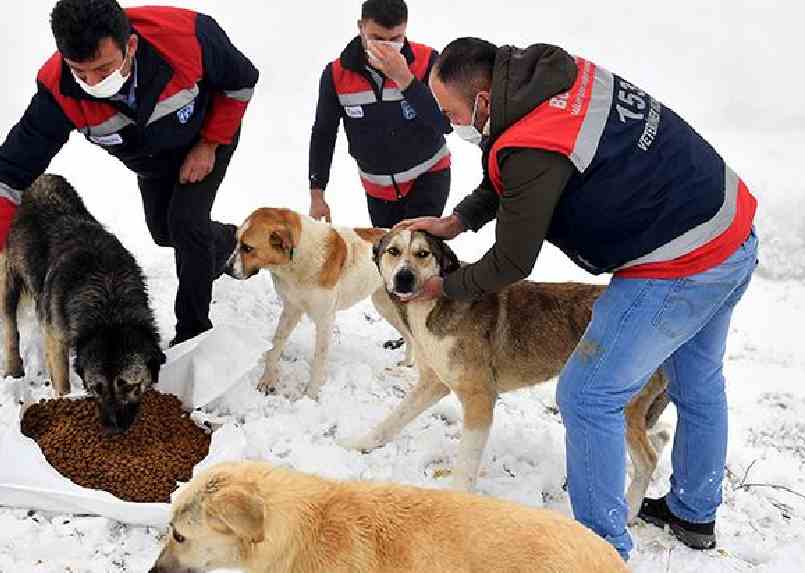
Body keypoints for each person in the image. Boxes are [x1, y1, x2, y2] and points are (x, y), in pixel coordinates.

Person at [400, 37, 759, 560]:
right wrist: (457, 221)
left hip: (683, 259)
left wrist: (446, 286)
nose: (444, 119)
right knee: (696, 381)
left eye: (448, 109)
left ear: (480, 100)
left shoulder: (529, 142)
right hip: (730, 227)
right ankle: (693, 512)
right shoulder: (542, 81)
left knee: (587, 394)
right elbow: (512, 177)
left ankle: (598, 550)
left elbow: (511, 262)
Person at [0, 0, 258, 347]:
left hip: (206, 138)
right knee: (163, 231)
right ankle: (230, 241)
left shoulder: (189, 37)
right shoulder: (58, 92)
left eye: (103, 69)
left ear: (130, 45)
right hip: (151, 159)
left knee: (186, 222)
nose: (91, 83)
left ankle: (193, 334)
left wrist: (209, 144)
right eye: (79, 72)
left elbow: (241, 82)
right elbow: (7, 173)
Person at [308, 0, 451, 228]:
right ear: (360, 27)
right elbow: (323, 133)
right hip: (377, 190)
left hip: (428, 176)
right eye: (376, 38)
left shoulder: (428, 61)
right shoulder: (336, 75)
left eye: (395, 40)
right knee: (388, 258)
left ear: (405, 30)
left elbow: (445, 124)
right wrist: (317, 194)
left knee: (416, 249)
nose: (386, 46)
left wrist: (406, 80)